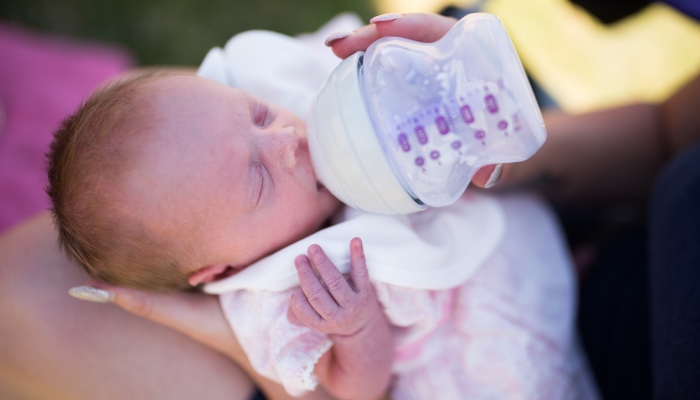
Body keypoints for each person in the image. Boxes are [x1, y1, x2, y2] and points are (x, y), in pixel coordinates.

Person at [1, 12, 697, 400]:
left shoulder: (305, 124)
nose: (288, 143)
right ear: (219, 270)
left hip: (563, 260)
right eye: (255, 182)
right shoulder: (279, 295)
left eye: (258, 115)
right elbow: (351, 391)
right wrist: (356, 328)